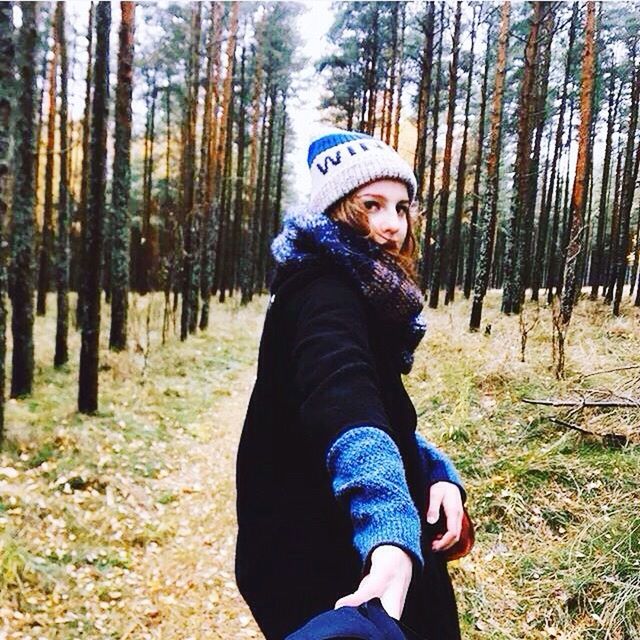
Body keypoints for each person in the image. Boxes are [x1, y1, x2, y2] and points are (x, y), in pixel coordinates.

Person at [235, 128, 465, 640]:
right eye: (372, 205)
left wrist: (434, 470)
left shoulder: (353, 286)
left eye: (401, 207)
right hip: (323, 547)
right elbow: (344, 401)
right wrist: (388, 530)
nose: (392, 225)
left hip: (333, 527)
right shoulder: (325, 292)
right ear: (336, 208)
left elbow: (377, 405)